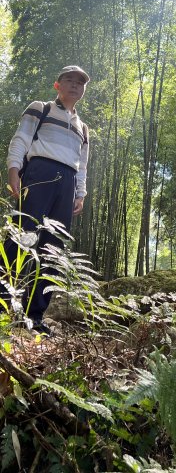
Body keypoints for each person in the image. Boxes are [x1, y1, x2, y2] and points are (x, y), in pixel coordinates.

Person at [1, 65, 90, 334]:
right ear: (57, 85)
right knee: (21, 236)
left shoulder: (84, 129)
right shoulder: (41, 108)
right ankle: (3, 302)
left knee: (53, 250)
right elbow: (21, 138)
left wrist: (80, 193)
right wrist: (14, 169)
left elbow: (83, 165)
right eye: (69, 80)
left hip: (69, 181)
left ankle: (35, 315)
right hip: (39, 172)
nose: (74, 85)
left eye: (80, 82)